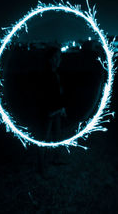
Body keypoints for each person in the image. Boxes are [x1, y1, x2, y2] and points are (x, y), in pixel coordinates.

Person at [37, 46, 67, 178]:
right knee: (44, 139)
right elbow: (47, 95)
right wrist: (55, 109)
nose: (59, 59)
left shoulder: (55, 73)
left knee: (58, 135)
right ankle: (42, 168)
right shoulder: (47, 74)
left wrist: (62, 108)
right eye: (56, 57)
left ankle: (56, 158)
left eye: (59, 56)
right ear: (49, 59)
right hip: (50, 111)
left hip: (57, 110)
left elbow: (58, 93)